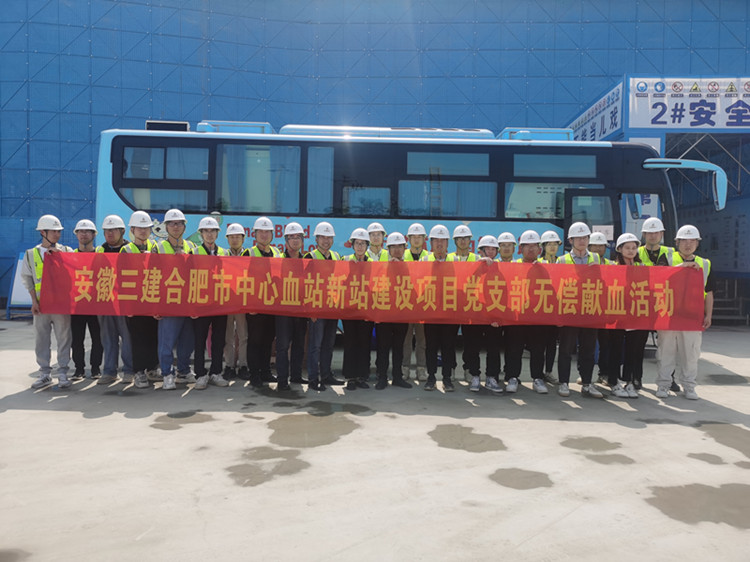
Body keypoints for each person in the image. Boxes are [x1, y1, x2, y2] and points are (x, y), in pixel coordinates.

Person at [655, 225, 714, 400]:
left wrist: (708, 315)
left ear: (697, 243)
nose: (688, 244)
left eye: (692, 241)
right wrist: (682, 266)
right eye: (684, 241)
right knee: (666, 352)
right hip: (669, 314)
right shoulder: (667, 258)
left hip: (692, 316)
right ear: (677, 242)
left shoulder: (705, 263)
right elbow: (659, 278)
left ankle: (689, 386)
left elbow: (709, 292)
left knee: (691, 353)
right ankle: (663, 385)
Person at [22, 214, 73, 389]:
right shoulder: (31, 254)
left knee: (64, 338)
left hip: (61, 304)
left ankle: (63, 373)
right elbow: (27, 279)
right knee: (41, 339)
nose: (57, 234)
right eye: (53, 231)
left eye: (59, 231)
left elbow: (75, 271)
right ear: (43, 232)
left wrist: (62, 257)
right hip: (41, 305)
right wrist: (34, 301)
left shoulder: (67, 251)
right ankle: (44, 373)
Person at [555, 222, 604, 398]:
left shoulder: (597, 258)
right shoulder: (562, 260)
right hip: (569, 311)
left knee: (588, 350)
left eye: (585, 237)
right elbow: (557, 287)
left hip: (589, 310)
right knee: (566, 350)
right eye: (578, 238)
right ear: (571, 240)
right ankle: (564, 383)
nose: (582, 241)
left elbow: (604, 283)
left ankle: (587, 383)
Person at [153, 208, 196, 390]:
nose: (175, 227)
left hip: (187, 301)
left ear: (184, 227)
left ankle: (183, 371)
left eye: (179, 223)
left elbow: (197, 274)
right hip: (168, 302)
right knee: (167, 341)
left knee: (188, 340)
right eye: (171, 223)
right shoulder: (158, 247)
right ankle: (167, 373)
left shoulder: (192, 247)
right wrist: (155, 305)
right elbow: (152, 276)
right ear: (166, 227)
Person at [503, 230, 549, 394]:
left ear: (539, 249)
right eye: (526, 246)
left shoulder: (546, 268)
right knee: (514, 348)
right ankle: (512, 377)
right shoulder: (513, 266)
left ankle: (537, 378)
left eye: (534, 246)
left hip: (537, 315)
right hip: (517, 315)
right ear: (520, 249)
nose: (530, 249)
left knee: (538, 348)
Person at [638, 216, 679, 392]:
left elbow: (679, 275)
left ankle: (669, 379)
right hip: (641, 304)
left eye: (656, 232)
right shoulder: (636, 252)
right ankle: (636, 379)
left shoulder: (671, 253)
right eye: (649, 233)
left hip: (664, 305)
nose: (653, 236)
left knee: (667, 346)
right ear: (644, 234)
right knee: (638, 345)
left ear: (662, 234)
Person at [120, 211, 159, 389]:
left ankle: (152, 368)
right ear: (132, 230)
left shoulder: (155, 247)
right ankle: (139, 371)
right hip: (135, 301)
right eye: (139, 228)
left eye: (146, 228)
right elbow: (121, 278)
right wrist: (127, 305)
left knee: (153, 336)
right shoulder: (126, 250)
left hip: (152, 298)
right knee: (137, 338)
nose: (143, 231)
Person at [190, 216, 230, 390]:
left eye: (212, 231)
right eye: (206, 231)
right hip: (201, 303)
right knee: (199, 341)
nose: (209, 234)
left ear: (217, 233)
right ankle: (200, 374)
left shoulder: (225, 253)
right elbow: (188, 279)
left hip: (220, 303)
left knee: (218, 340)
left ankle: (216, 372)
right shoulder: (194, 253)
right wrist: (192, 306)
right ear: (201, 233)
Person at [305, 221, 345, 391]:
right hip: (317, 308)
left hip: (332, 307)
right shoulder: (310, 257)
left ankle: (326, 375)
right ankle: (313, 378)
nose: (326, 240)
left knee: (329, 344)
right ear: (316, 239)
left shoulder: (337, 257)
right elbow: (305, 285)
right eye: (323, 237)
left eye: (329, 237)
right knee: (316, 345)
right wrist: (311, 309)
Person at [95, 214, 134, 386]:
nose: (109, 233)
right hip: (105, 301)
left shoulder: (130, 250)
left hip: (125, 301)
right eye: (106, 230)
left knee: (127, 338)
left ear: (122, 231)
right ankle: (109, 371)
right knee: (108, 338)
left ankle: (129, 370)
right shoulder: (99, 251)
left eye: (113, 230)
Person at [607, 233, 646, 399]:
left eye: (634, 248)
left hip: (635, 314)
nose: (631, 251)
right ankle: (614, 381)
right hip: (617, 314)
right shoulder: (613, 267)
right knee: (615, 349)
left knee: (633, 350)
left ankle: (629, 381)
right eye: (627, 248)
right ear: (620, 249)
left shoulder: (642, 267)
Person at [421, 224, 458, 392]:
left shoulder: (455, 261)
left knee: (448, 346)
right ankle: (431, 377)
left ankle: (447, 378)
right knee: (431, 346)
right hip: (430, 310)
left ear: (448, 243)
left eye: (443, 240)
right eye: (436, 240)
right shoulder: (424, 261)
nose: (440, 244)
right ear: (431, 243)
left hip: (449, 311)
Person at [375, 232, 413, 390]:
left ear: (405, 248)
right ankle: (382, 377)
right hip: (384, 313)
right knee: (383, 347)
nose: (397, 250)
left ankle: (397, 377)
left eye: (400, 246)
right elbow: (375, 288)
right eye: (393, 247)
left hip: (401, 313)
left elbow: (414, 288)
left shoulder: (411, 267)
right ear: (388, 249)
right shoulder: (381, 266)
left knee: (399, 347)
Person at [247, 216, 281, 388]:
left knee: (268, 340)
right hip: (255, 306)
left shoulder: (277, 253)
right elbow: (242, 280)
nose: (264, 235)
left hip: (272, 305)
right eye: (261, 232)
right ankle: (254, 374)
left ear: (272, 234)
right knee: (255, 340)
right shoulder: (249, 253)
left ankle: (266, 371)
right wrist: (249, 304)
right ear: (255, 234)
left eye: (267, 232)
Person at [275, 222, 308, 391]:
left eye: (298, 237)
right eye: (291, 237)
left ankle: (296, 375)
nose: (295, 240)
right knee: (282, 346)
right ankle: (282, 379)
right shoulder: (278, 260)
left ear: (302, 240)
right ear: (286, 241)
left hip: (301, 310)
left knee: (299, 344)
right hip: (283, 310)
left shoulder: (307, 261)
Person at [447, 225, 482, 389]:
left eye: (465, 238)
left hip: (470, 305)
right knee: (449, 340)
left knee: (471, 341)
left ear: (470, 241)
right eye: (459, 238)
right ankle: (451, 369)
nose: (462, 241)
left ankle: (470, 370)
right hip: (452, 304)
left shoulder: (477, 258)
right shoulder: (448, 258)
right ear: (455, 241)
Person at [70, 219, 102, 380]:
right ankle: (79, 369)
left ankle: (96, 368)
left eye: (88, 231)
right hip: (77, 304)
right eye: (81, 231)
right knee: (77, 340)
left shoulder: (101, 255)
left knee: (98, 339)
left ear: (94, 235)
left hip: (96, 304)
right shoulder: (70, 256)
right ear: (76, 234)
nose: (84, 234)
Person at [342, 228, 374, 390]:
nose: (360, 247)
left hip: (365, 310)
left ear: (367, 246)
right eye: (357, 243)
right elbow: (339, 283)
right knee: (350, 342)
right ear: (352, 245)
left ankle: (362, 376)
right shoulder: (345, 260)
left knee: (364, 343)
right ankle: (350, 377)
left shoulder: (373, 264)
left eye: (363, 244)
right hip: (349, 309)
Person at [473, 235, 504, 394]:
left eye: (493, 249)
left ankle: (492, 377)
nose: (491, 252)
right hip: (476, 313)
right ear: (481, 250)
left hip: (493, 315)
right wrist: (479, 266)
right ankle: (474, 375)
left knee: (493, 348)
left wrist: (498, 315)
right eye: (488, 249)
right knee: (473, 347)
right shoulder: (473, 265)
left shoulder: (502, 267)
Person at [223, 223, 250, 381]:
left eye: (237, 237)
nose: (234, 240)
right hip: (227, 301)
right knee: (228, 337)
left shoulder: (248, 255)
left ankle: (243, 365)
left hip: (243, 301)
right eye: (232, 237)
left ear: (243, 239)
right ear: (227, 239)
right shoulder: (222, 255)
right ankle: (229, 366)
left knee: (243, 335)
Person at [403, 222, 429, 381]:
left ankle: (421, 369)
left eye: (420, 237)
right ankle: (404, 368)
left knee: (422, 340)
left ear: (424, 239)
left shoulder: (429, 256)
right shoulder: (402, 255)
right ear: (408, 239)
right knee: (405, 340)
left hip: (423, 304)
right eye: (414, 237)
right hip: (406, 303)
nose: (417, 239)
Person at [538, 230, 562, 384]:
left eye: (555, 244)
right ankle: (538, 373)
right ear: (544, 246)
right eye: (549, 244)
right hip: (541, 308)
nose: (552, 247)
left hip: (557, 309)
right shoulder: (538, 263)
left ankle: (548, 371)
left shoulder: (563, 262)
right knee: (540, 344)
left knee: (552, 344)